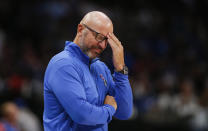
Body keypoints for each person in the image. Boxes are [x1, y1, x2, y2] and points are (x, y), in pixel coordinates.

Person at [43, 11, 133, 131]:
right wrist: (109, 109)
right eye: (99, 37)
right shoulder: (63, 64)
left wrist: (120, 69)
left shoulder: (101, 68)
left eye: (107, 40)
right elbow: (81, 115)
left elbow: (124, 112)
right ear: (80, 29)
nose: (103, 45)